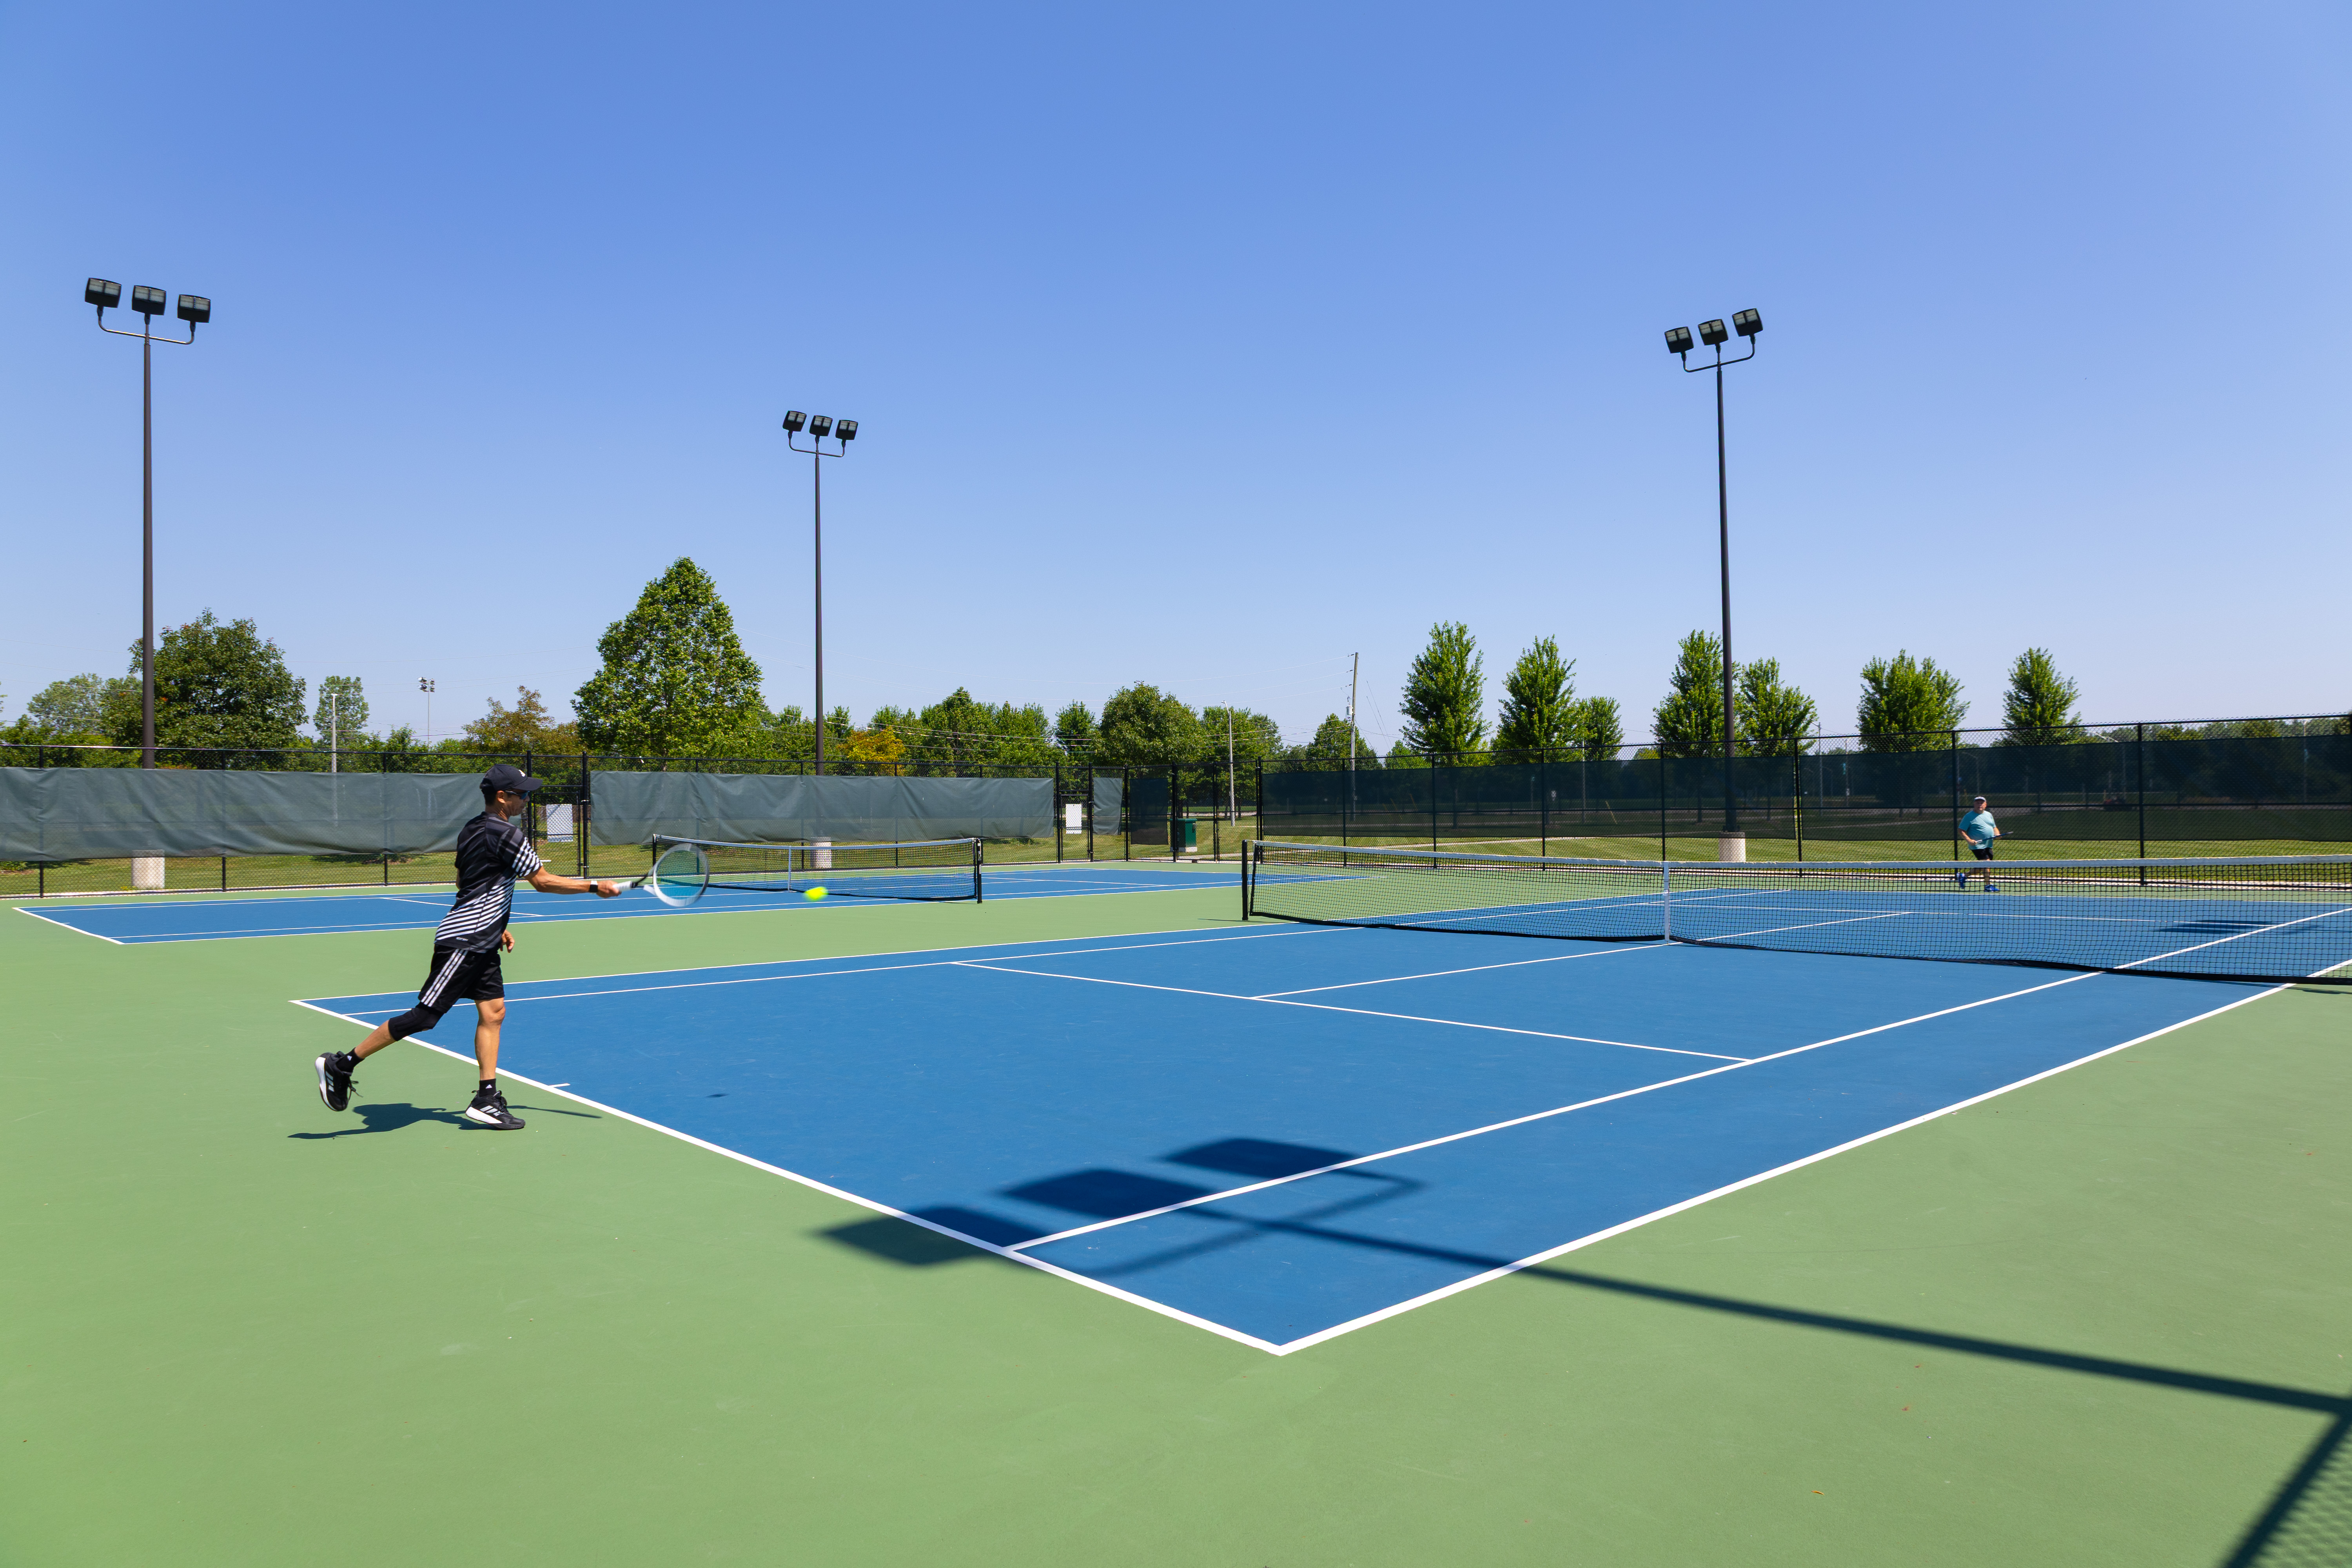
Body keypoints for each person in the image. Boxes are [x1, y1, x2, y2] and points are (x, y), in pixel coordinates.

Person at [314, 763, 618, 1129]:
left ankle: (486, 1099)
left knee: (494, 1012)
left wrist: (499, 924)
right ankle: (342, 1064)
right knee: (425, 1017)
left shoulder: (472, 828)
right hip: (466, 941)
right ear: (502, 797)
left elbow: (468, 880)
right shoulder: (508, 834)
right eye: (521, 794)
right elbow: (541, 881)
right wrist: (593, 886)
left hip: (482, 938)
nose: (526, 799)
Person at [1957, 794, 2000, 892]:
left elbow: (1994, 828)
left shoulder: (1989, 815)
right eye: (1977, 803)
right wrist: (1969, 841)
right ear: (1974, 805)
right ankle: (1988, 886)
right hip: (1977, 845)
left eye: (1982, 803)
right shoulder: (1969, 816)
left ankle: (1963, 876)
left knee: (1982, 866)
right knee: (1986, 863)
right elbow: (1961, 830)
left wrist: (1997, 834)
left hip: (1988, 845)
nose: (1980, 805)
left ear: (1986, 805)